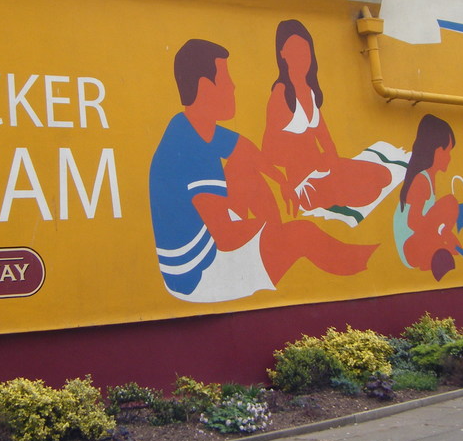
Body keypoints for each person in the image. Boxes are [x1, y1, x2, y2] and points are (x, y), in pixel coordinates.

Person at [149, 39, 378, 303]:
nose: (233, 86)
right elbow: (226, 237)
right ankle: (370, 268)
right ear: (204, 86)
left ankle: (277, 240)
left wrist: (281, 181)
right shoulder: (189, 151)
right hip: (199, 275)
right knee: (303, 234)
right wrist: (270, 230)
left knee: (243, 168)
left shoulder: (189, 124)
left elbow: (245, 149)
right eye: (226, 79)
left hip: (208, 237)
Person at [262, 20, 400, 220]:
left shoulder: (310, 91)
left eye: (305, 50)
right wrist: (305, 152)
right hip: (303, 180)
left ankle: (338, 183)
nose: (301, 57)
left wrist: (335, 165)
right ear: (282, 53)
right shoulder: (281, 94)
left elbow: (324, 136)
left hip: (322, 167)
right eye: (294, 49)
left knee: (383, 176)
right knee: (366, 194)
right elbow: (268, 152)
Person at [393, 114, 463, 279]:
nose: (450, 157)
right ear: (437, 151)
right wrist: (439, 235)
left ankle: (434, 253)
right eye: (448, 151)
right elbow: (413, 222)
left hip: (420, 241)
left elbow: (436, 223)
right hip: (410, 247)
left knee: (447, 207)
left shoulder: (430, 178)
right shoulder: (421, 180)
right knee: (450, 203)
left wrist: (446, 237)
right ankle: (431, 254)